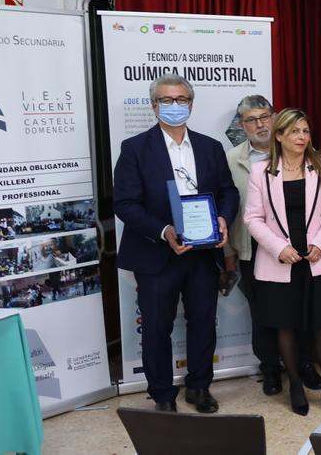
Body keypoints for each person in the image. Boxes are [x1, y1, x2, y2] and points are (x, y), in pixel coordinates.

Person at [113, 73, 237, 413]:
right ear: (154, 106)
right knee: (156, 328)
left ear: (191, 104)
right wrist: (165, 230)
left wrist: (223, 217)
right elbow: (124, 203)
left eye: (181, 99)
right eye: (166, 100)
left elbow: (228, 191)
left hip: (203, 254)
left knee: (202, 322)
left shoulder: (210, 147)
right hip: (157, 254)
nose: (174, 106)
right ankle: (163, 395)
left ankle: (199, 386)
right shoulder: (135, 149)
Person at [243, 108, 321, 417]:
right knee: (285, 327)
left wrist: (320, 242)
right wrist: (278, 248)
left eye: (306, 131)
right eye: (294, 132)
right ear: (279, 136)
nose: (302, 137)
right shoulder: (260, 171)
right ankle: (296, 387)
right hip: (281, 261)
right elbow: (252, 218)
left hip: (318, 257)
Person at [226, 95, 321, 396]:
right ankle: (270, 369)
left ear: (275, 118)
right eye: (252, 120)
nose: (260, 124)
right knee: (264, 313)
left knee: (301, 309)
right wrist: (228, 253)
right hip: (253, 249)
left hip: (299, 250)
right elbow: (231, 208)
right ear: (242, 125)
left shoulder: (299, 153)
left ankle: (304, 363)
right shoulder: (233, 159)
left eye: (265, 116)